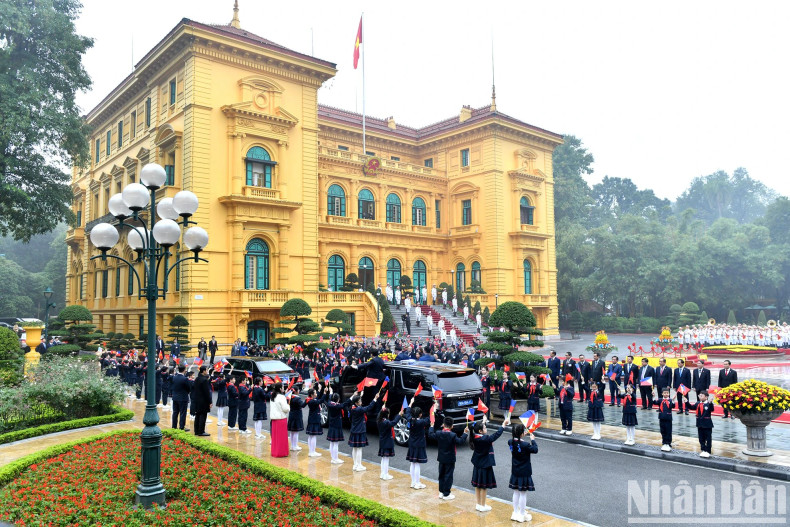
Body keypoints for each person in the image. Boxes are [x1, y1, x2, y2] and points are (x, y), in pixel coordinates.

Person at [470, 414, 506, 512]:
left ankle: (478, 504)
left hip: (477, 463)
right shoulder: (484, 439)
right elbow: (495, 435)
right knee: (484, 486)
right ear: (481, 431)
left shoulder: (475, 436)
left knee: (477, 485)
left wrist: (483, 421)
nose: (486, 428)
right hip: (485, 464)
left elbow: (483, 433)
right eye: (485, 427)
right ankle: (483, 505)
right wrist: (503, 426)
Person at [429, 414, 469, 500]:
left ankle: (441, 492)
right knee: (448, 475)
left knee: (441, 474)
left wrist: (432, 426)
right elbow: (460, 441)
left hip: (441, 458)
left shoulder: (439, 433)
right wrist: (465, 433)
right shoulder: (453, 435)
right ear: (452, 426)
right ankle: (446, 493)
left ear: (443, 424)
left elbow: (430, 434)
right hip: (450, 458)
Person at [508, 423, 538, 523]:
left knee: (515, 492)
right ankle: (521, 515)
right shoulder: (525, 445)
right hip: (524, 471)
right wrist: (533, 439)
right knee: (523, 494)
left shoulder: (510, 442)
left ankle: (515, 512)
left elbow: (517, 441)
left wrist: (521, 436)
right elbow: (535, 450)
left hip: (515, 470)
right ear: (521, 434)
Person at [348, 390, 380, 471]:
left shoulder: (352, 407)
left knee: (354, 448)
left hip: (354, 430)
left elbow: (358, 403)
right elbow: (369, 407)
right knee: (359, 449)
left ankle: (355, 465)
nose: (361, 402)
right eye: (360, 401)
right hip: (360, 430)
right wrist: (375, 399)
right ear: (356, 402)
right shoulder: (359, 410)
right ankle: (359, 465)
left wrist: (360, 396)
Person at [404, 401, 432, 489]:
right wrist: (434, 409)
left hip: (412, 443)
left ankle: (413, 482)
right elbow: (430, 418)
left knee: (412, 463)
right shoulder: (421, 422)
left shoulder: (409, 419)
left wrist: (410, 404)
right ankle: (417, 483)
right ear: (420, 414)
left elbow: (407, 412)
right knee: (417, 464)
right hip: (419, 444)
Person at [377, 406, 402, 480]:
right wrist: (399, 415)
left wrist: (382, 408)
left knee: (383, 458)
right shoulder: (386, 422)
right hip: (387, 442)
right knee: (386, 459)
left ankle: (382, 473)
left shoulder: (379, 420)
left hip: (382, 441)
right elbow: (393, 422)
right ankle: (385, 474)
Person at [326, 389, 350, 463]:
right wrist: (352, 397)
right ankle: (335, 458)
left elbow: (330, 398)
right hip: (337, 425)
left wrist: (330, 392)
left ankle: (332, 457)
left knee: (332, 442)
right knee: (336, 443)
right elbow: (345, 403)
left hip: (332, 424)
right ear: (338, 399)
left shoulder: (329, 403)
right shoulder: (337, 406)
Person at [688, 390, 715, 457]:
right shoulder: (698, 403)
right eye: (699, 395)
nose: (700, 397)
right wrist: (686, 402)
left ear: (706, 397)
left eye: (701, 395)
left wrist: (711, 403)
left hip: (707, 424)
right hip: (699, 424)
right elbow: (692, 407)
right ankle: (703, 449)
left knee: (708, 438)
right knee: (701, 438)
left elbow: (712, 409)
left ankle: (708, 451)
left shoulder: (708, 404)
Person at [269, 382, 291, 457]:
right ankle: (282, 452)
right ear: (280, 389)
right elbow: (285, 409)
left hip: (274, 419)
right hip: (281, 419)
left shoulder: (273, 396)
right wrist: (288, 405)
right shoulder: (281, 397)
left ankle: (275, 452)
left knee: (275, 438)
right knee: (282, 437)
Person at [305, 384, 327, 457]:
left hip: (312, 419)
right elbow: (320, 400)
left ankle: (311, 451)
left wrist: (320, 390)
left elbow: (318, 398)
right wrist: (324, 393)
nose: (316, 394)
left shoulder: (310, 400)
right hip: (314, 419)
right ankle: (312, 451)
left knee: (311, 436)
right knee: (313, 436)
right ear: (312, 394)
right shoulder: (312, 401)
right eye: (315, 393)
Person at [192, 366, 212, 436]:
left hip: (197, 400)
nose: (207, 371)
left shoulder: (197, 379)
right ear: (203, 371)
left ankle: (196, 430)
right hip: (203, 401)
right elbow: (207, 392)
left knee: (197, 415)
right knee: (203, 415)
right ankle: (201, 431)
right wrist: (210, 402)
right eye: (206, 370)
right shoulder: (204, 380)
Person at [170, 364, 190, 431]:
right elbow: (188, 388)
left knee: (175, 412)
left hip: (175, 397)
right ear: (184, 370)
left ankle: (174, 426)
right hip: (183, 397)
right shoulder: (185, 379)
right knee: (182, 413)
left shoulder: (174, 377)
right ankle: (181, 427)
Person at [287, 388, 307, 452]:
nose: (299, 391)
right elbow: (302, 405)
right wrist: (307, 400)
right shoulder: (297, 398)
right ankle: (294, 446)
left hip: (291, 415)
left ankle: (293, 445)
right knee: (296, 432)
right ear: (295, 391)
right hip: (297, 416)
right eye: (298, 390)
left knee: (292, 432)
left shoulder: (290, 397)